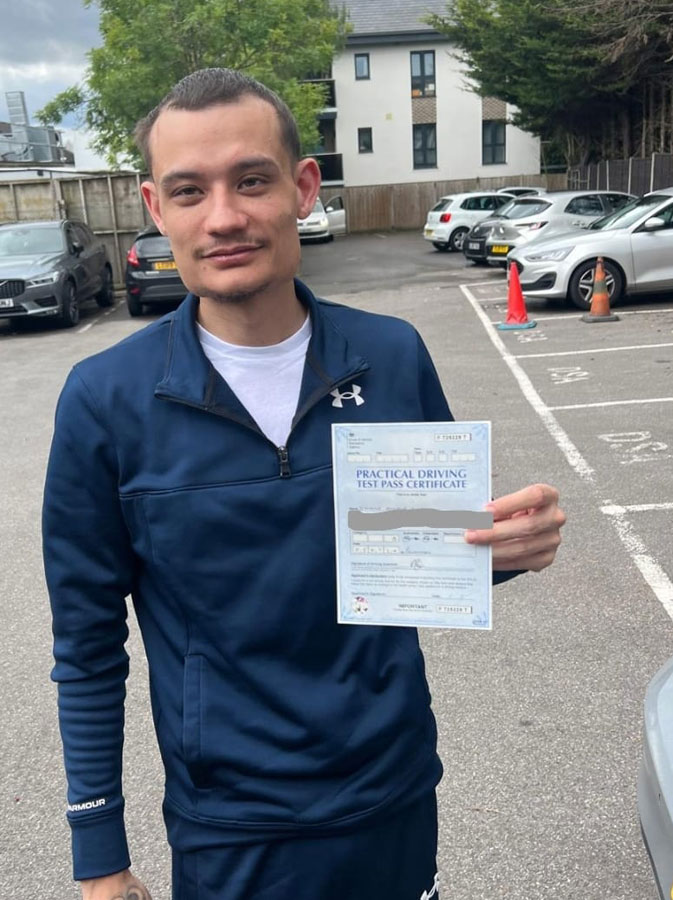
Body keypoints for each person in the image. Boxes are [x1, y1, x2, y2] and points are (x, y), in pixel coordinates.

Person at [43, 68, 565, 900]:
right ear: (155, 208)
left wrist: (505, 548)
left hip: (393, 800)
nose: (223, 217)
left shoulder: (389, 355)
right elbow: (87, 644)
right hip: (231, 831)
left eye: (251, 180)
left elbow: (426, 553)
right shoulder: (104, 401)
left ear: (303, 187)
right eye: (189, 191)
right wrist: (98, 854)